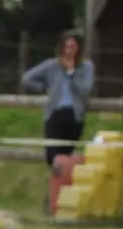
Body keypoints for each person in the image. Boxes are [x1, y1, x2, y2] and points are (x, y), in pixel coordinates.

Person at [21, 30, 95, 167]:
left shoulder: (86, 67)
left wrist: (72, 73)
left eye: (72, 47)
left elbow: (85, 90)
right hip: (55, 113)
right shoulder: (52, 65)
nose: (69, 51)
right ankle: (57, 182)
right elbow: (27, 78)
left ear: (79, 48)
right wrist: (43, 88)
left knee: (65, 156)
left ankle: (62, 185)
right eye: (66, 46)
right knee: (52, 155)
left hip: (74, 115)